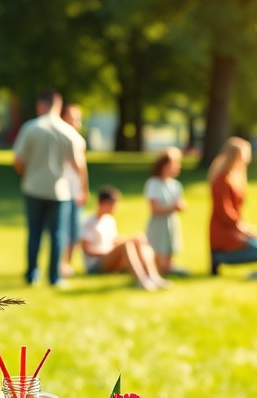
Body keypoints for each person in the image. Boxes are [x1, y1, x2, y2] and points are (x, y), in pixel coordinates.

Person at [14, 89, 88, 287]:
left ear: (41, 104)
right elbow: (79, 165)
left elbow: (18, 161)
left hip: (34, 187)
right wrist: (82, 188)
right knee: (57, 234)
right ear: (59, 105)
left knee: (34, 232)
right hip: (59, 191)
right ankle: (55, 277)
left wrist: (28, 174)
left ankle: (32, 274)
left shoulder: (31, 128)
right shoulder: (68, 132)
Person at [79, 186, 168, 291]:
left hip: (110, 258)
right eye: (113, 204)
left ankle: (153, 276)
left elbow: (114, 240)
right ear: (103, 204)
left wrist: (134, 240)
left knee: (139, 239)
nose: (116, 208)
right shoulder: (88, 222)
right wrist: (110, 252)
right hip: (96, 264)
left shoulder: (109, 220)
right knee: (126, 245)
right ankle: (141, 280)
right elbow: (87, 249)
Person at [208, 137, 257, 275]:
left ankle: (219, 257)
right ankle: (218, 257)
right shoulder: (222, 179)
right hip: (224, 232)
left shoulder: (234, 177)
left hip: (233, 228)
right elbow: (224, 211)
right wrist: (241, 228)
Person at [144, 147, 187, 276]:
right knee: (158, 254)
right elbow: (154, 208)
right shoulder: (154, 184)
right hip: (158, 223)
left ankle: (169, 268)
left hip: (171, 221)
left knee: (170, 248)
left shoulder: (175, 185)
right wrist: (173, 207)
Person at [59, 103, 88, 277]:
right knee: (64, 229)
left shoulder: (77, 139)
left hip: (76, 190)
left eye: (77, 118)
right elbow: (78, 165)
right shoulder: (63, 138)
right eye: (71, 117)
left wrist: (84, 188)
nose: (74, 121)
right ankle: (62, 263)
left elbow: (83, 167)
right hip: (64, 190)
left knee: (75, 229)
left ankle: (67, 263)